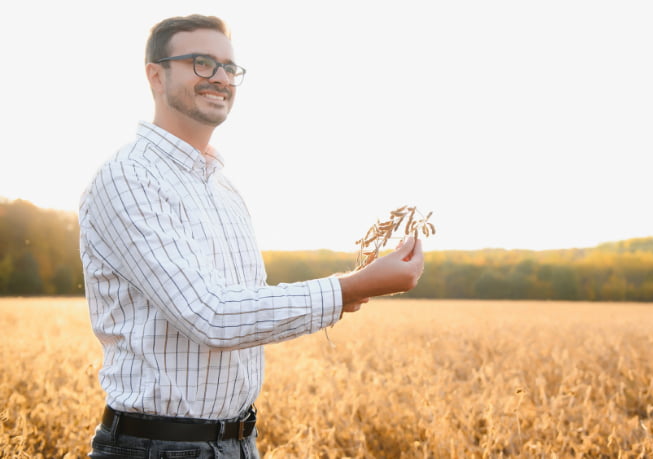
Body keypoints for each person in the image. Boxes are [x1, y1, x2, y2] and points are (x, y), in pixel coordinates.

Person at [79, 14, 423, 458]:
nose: (220, 78)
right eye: (201, 63)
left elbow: (246, 309)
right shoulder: (127, 178)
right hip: (156, 447)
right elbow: (211, 315)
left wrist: (351, 291)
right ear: (155, 75)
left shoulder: (225, 189)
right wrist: (348, 288)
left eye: (229, 67)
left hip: (239, 443)